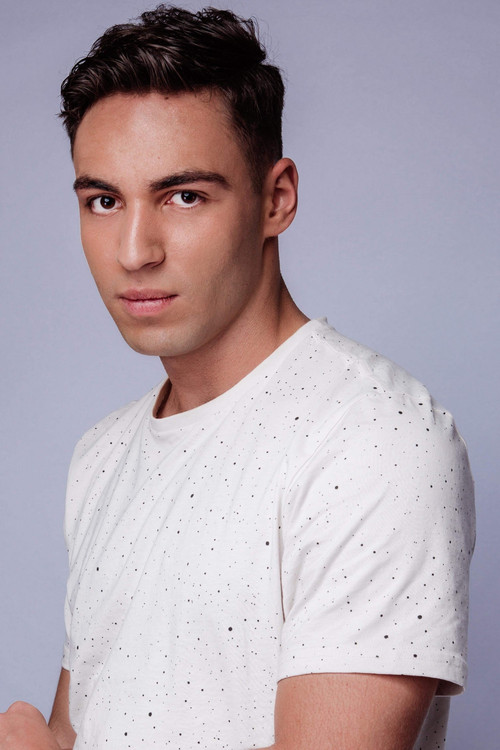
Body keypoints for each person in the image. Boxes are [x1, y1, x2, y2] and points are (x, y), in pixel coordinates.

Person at [0, 5, 475, 749]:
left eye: (184, 196)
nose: (134, 251)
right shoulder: (103, 455)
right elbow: (82, 732)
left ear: (275, 198)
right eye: (103, 201)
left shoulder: (373, 440)